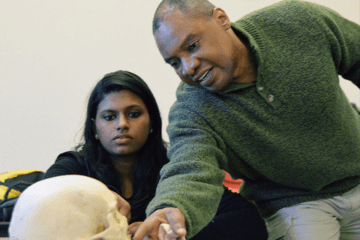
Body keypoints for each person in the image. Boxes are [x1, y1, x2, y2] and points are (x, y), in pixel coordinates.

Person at [133, 0, 360, 239]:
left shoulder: (300, 22)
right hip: (293, 204)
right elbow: (190, 169)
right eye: (175, 63)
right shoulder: (192, 110)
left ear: (221, 19)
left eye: (192, 46)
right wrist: (171, 206)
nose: (188, 68)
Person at [44, 70, 268, 239]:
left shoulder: (177, 168)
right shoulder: (74, 167)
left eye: (133, 114)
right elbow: (38, 202)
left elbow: (248, 221)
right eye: (109, 117)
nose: (122, 124)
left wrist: (166, 230)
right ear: (94, 127)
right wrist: (97, 196)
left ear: (151, 121)